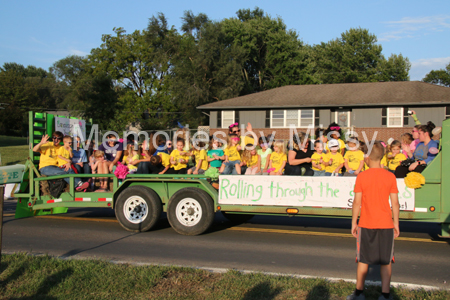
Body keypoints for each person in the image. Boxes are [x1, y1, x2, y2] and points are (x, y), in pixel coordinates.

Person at [347, 141, 400, 300]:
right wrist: (396, 224)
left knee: (363, 259)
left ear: (368, 158)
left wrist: (354, 223)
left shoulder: (362, 176)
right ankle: (385, 294)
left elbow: (357, 202)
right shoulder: (390, 176)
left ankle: (359, 293)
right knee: (386, 261)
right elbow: (395, 204)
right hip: (386, 224)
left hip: (366, 224)